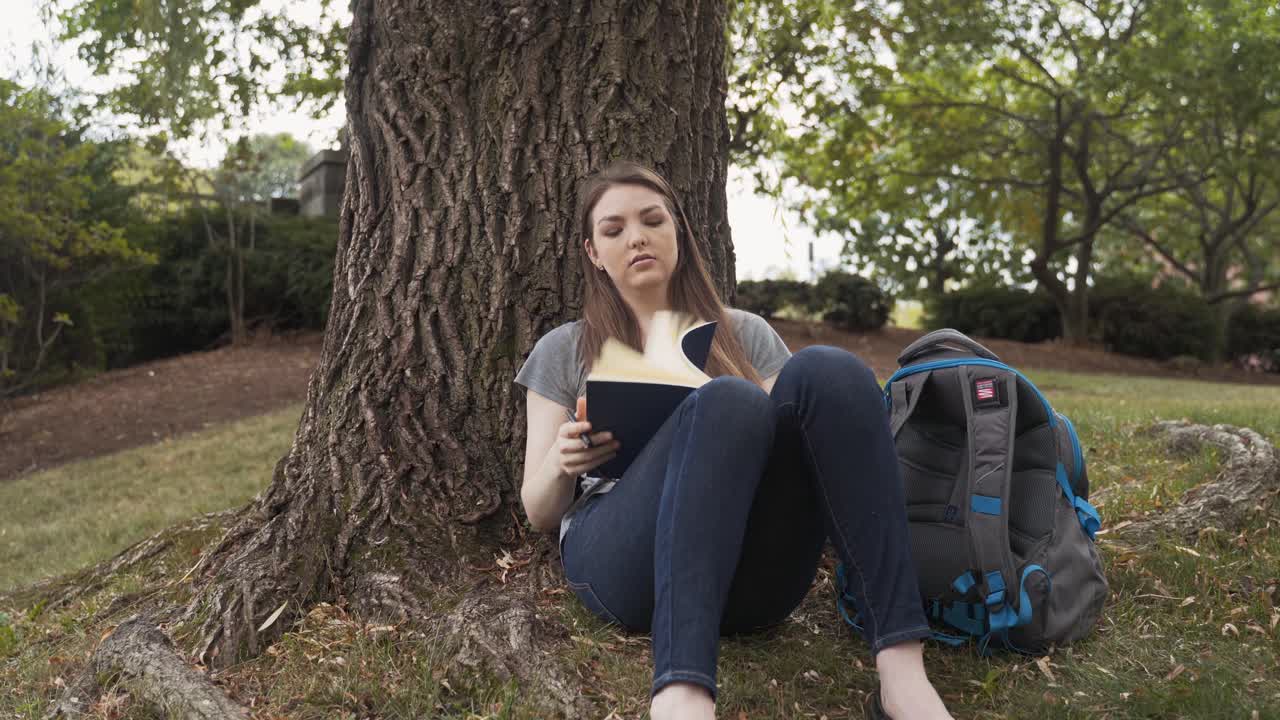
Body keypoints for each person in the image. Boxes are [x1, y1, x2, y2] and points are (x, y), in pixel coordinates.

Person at [513, 161, 954, 720]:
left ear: (680, 233)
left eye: (653, 220)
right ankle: (682, 698)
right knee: (729, 398)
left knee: (829, 369)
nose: (638, 237)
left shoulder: (745, 333)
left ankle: (901, 671)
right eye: (614, 229)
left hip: (753, 573)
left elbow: (806, 446)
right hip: (623, 564)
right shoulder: (565, 348)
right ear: (593, 253)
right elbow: (538, 511)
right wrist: (561, 461)